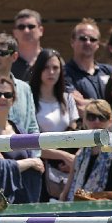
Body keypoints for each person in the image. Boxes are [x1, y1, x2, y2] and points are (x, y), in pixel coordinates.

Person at [0, 76, 44, 204]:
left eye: (7, 95)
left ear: (13, 100)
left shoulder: (19, 130)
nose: (2, 98)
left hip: (25, 203)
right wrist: (30, 162)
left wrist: (7, 163)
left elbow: (39, 167)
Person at [28, 49, 79, 200]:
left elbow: (75, 134)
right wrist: (64, 156)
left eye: (55, 68)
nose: (51, 72)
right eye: (46, 67)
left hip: (67, 169)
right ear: (38, 69)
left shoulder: (68, 99)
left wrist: (71, 159)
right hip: (40, 169)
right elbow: (28, 143)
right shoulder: (29, 99)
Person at [0, 33, 41, 142]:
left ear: (14, 56)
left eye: (1, 53)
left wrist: (33, 152)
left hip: (24, 151)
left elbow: (32, 128)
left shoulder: (25, 89)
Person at [62, 100, 112, 201]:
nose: (96, 121)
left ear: (110, 121)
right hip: (77, 206)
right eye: (91, 116)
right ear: (85, 120)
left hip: (107, 208)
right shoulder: (80, 154)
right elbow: (65, 192)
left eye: (102, 117)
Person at [64, 18, 112, 114]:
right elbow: (78, 105)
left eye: (93, 39)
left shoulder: (109, 71)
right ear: (72, 42)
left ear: (98, 44)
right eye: (83, 38)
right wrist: (109, 106)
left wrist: (89, 103)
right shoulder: (63, 73)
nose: (88, 42)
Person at [11, 9, 45, 81]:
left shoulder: (51, 60)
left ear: (41, 30)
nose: (26, 31)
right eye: (21, 27)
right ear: (14, 33)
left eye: (31, 26)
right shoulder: (7, 62)